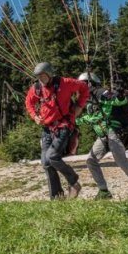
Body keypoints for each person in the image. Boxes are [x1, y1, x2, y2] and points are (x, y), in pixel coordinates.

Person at [78, 72, 128, 200]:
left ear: (89, 83)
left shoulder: (100, 92)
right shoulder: (89, 98)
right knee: (91, 160)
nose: (79, 88)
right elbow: (93, 116)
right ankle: (104, 191)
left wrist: (120, 95)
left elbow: (116, 101)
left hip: (113, 131)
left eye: (82, 84)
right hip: (102, 135)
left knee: (121, 161)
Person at [25, 62, 90, 200]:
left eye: (43, 76)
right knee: (46, 163)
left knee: (53, 156)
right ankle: (57, 197)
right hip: (47, 129)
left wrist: (79, 107)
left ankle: (74, 182)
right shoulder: (36, 88)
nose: (41, 79)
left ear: (49, 74)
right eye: (38, 77)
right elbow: (29, 103)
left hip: (63, 125)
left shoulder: (65, 83)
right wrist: (34, 116)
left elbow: (84, 88)